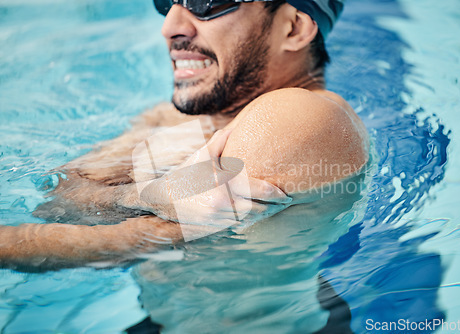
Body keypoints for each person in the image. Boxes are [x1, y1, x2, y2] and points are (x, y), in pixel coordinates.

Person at [0, 0, 368, 272]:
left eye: (203, 3)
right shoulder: (187, 114)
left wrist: (144, 197)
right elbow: (62, 197)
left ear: (292, 28)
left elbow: (114, 244)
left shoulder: (301, 117)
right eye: (167, 2)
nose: (171, 25)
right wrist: (142, 195)